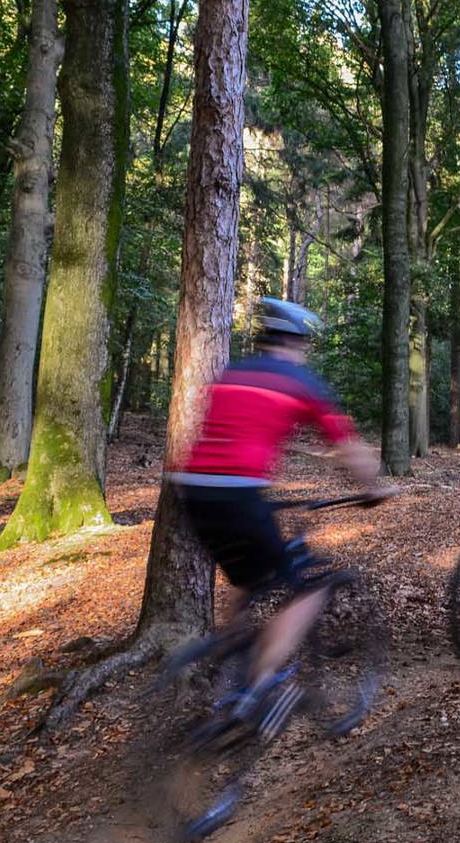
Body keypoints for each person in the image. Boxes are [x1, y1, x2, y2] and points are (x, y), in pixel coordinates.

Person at [166, 297, 392, 735]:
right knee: (307, 589)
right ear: (297, 341)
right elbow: (347, 448)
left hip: (193, 492)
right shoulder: (301, 381)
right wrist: (374, 489)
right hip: (238, 494)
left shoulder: (231, 373)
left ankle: (231, 655)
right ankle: (258, 687)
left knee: (250, 579)